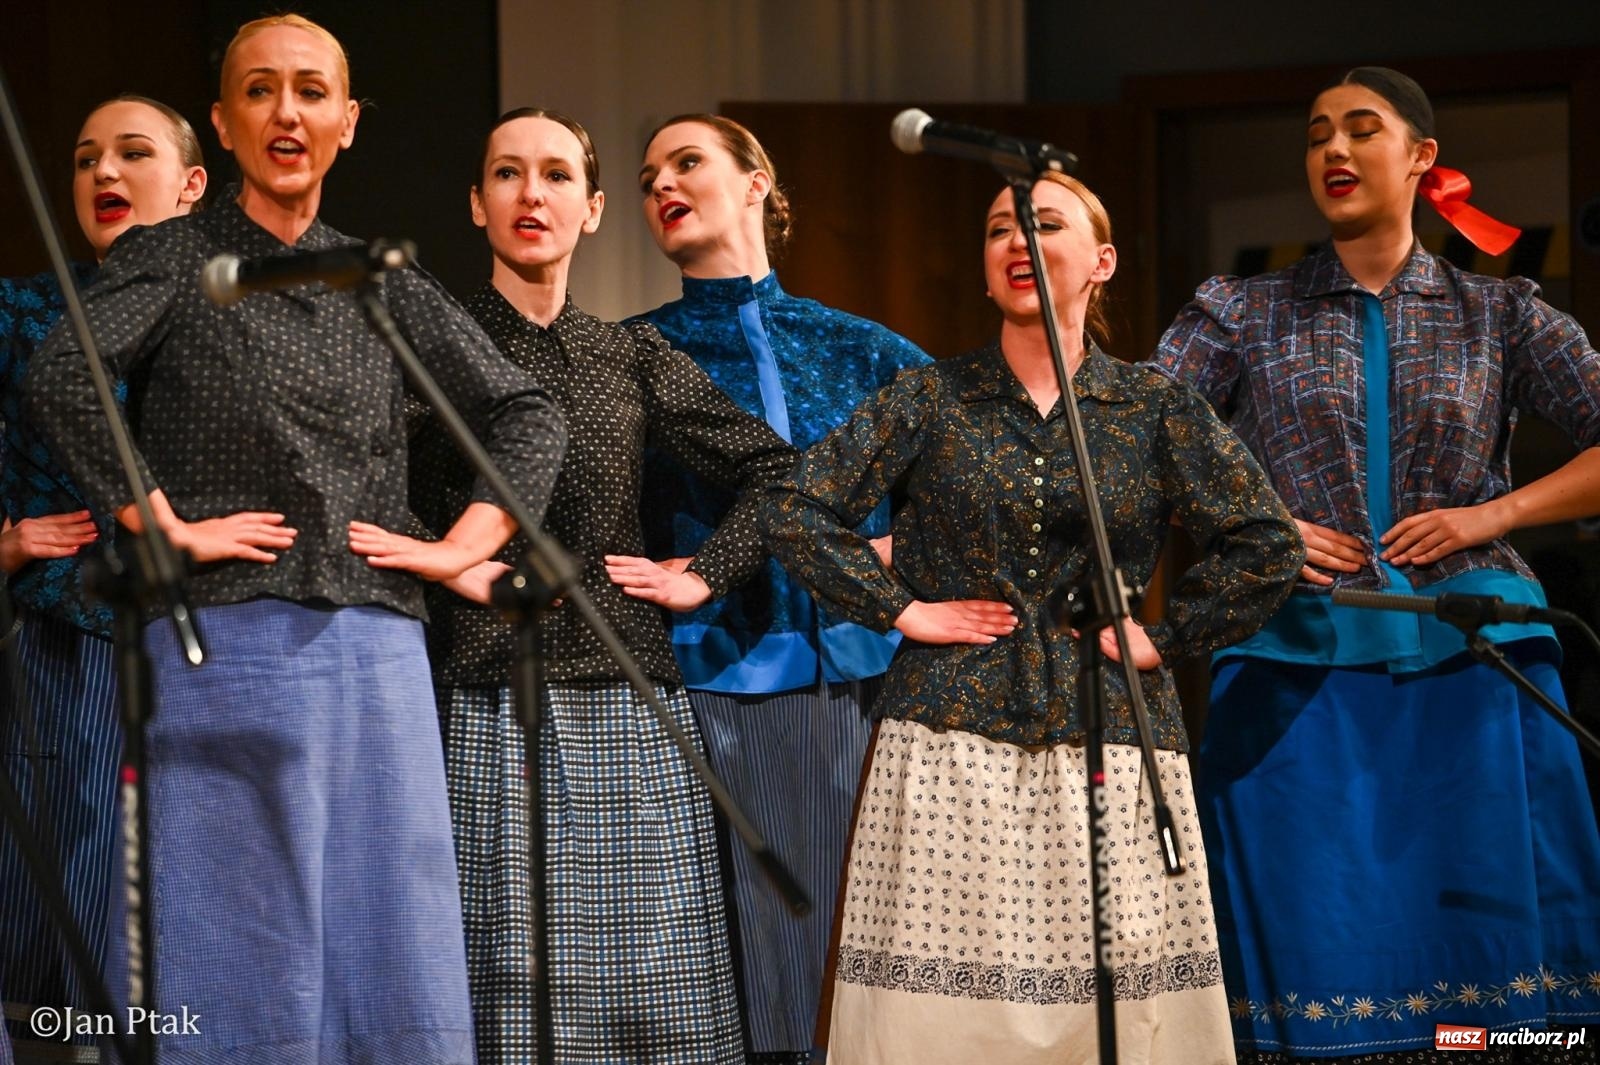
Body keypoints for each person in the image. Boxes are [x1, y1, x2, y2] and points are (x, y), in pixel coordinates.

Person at [25, 17, 566, 1064]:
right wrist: (158, 519)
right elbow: (64, 376)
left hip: (378, 651)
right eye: (261, 92)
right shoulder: (175, 255)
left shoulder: (379, 279)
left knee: (388, 934)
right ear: (224, 123)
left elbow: (526, 413)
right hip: (227, 647)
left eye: (311, 92)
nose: (288, 112)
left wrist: (465, 545)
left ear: (347, 121)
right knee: (237, 939)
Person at [762, 170, 1302, 1064]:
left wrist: (1164, 638)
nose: (1017, 241)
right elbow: (793, 507)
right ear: (983, 271)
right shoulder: (931, 398)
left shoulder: (1155, 406)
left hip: (1114, 732)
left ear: (1102, 261)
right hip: (947, 743)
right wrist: (901, 610)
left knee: (1119, 1005)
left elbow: (1267, 544)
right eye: (998, 230)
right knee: (942, 1018)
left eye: (1043, 223)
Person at [1152, 67, 1600, 1062]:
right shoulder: (1237, 308)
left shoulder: (1502, 312)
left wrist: (1496, 509)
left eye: (1362, 129)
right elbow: (1137, 439)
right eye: (1316, 135)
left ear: (1422, 159)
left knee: (1491, 1003)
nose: (1334, 151)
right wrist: (1256, 521)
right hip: (1295, 665)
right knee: (1316, 960)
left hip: (1474, 662)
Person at [358, 108, 796, 1064]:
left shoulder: (626, 357)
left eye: (557, 175)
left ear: (592, 209)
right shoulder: (429, 343)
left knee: (657, 1002)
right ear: (477, 204)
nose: (532, 194)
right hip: (474, 697)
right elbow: (344, 475)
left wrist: (704, 573)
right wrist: (451, 557)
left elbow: (781, 474)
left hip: (628, 700)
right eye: (508, 174)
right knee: (499, 995)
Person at [632, 113, 931, 1065]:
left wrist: (894, 552)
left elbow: (975, 496)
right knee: (747, 973)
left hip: (870, 683)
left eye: (687, 162)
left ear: (756, 181)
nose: (663, 185)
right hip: (718, 676)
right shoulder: (635, 352)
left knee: (872, 960)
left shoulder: (865, 350)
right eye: (647, 179)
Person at [0, 94, 205, 1064]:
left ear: (194, 183)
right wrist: (0, 541)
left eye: (132, 153)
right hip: (66, 649)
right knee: (66, 918)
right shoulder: (28, 309)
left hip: (216, 654)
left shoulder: (229, 323)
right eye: (85, 159)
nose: (104, 175)